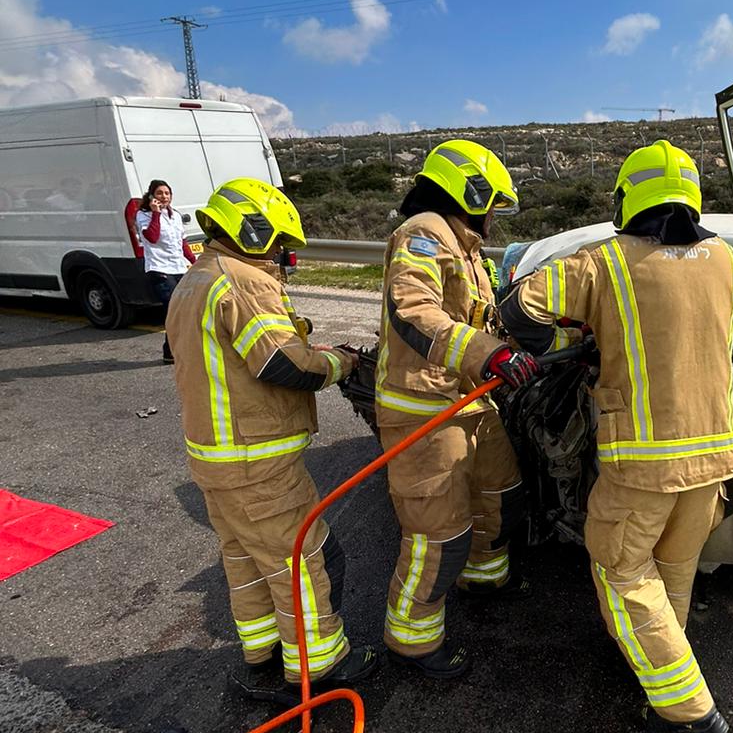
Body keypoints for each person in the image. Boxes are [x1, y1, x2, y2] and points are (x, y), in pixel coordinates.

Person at [499, 140, 733, 733]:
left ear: (627, 197)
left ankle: (685, 705)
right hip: (715, 457)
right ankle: (653, 667)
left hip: (643, 463)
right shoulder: (729, 262)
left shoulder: (602, 263)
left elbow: (517, 309)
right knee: (672, 572)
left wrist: (573, 345)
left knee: (620, 571)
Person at [166, 178, 376, 696]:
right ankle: (319, 666)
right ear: (254, 232)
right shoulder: (242, 280)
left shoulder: (195, 280)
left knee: (247, 561)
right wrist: (341, 362)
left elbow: (234, 357)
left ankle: (263, 651)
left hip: (213, 459)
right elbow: (282, 363)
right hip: (257, 463)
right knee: (306, 561)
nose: (282, 254)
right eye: (280, 242)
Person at [376, 139, 534, 680]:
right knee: (437, 535)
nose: (492, 216)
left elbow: (479, 316)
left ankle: (485, 578)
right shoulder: (423, 232)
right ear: (471, 191)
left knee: (502, 492)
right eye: (491, 203)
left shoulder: (464, 245)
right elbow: (413, 310)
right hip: (424, 411)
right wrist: (490, 354)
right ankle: (412, 642)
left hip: (466, 402)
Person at [135, 179, 195, 362]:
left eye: (167, 193)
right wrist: (155, 214)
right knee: (173, 308)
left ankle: (171, 351)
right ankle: (172, 351)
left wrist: (194, 261)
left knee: (183, 309)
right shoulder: (143, 215)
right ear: (152, 196)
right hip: (159, 268)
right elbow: (151, 237)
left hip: (178, 267)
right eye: (160, 193)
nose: (164, 197)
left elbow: (181, 242)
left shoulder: (175, 215)